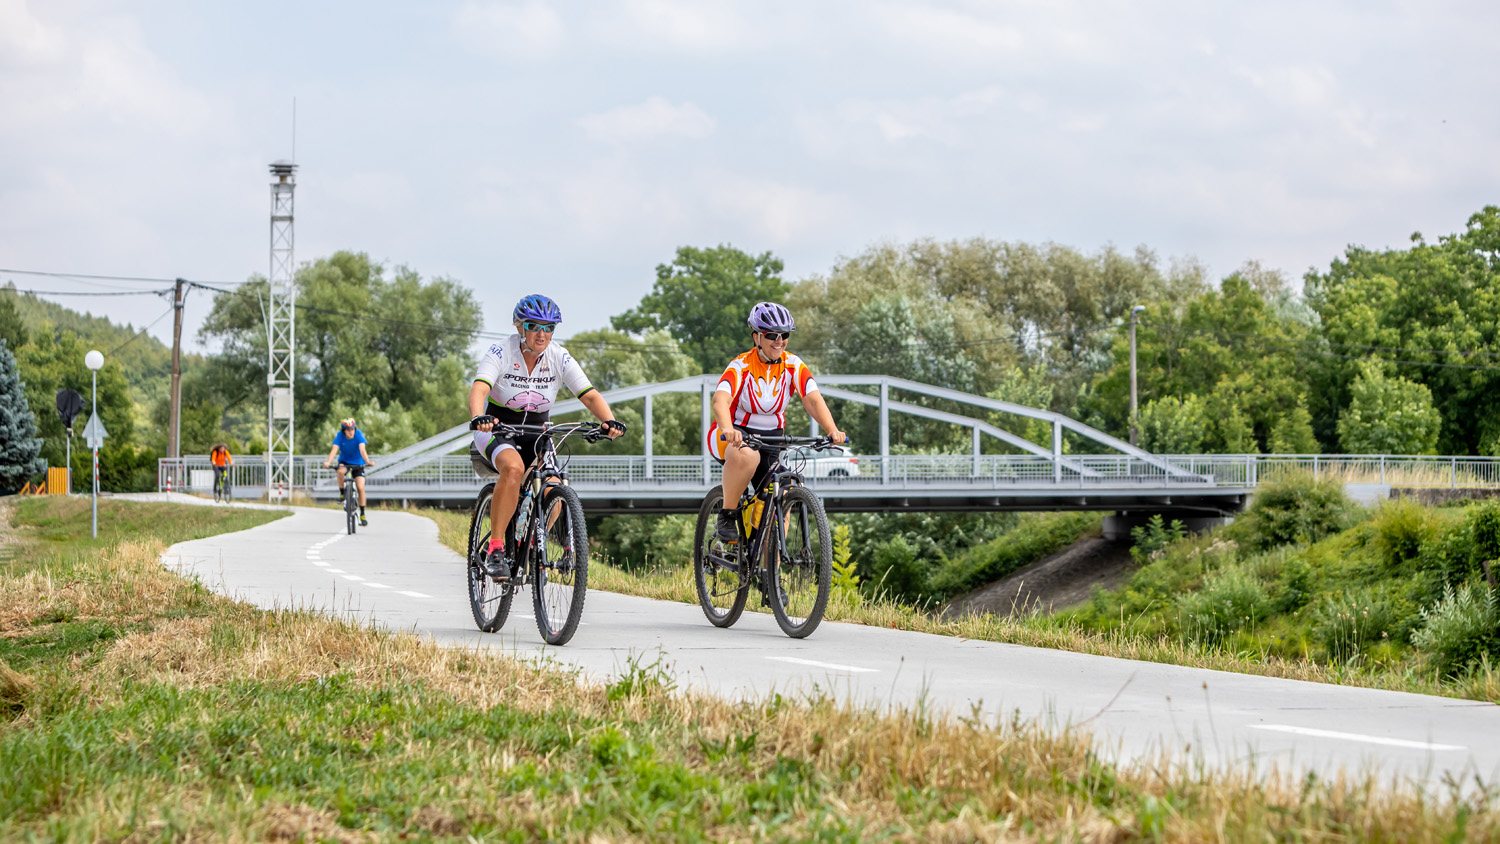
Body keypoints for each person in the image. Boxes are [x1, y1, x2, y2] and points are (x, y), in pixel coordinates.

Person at [469, 294, 626, 580]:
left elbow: (588, 395)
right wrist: (479, 417)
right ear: (520, 327)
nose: (542, 334)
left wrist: (609, 421)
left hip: (539, 432)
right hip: (497, 428)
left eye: (549, 328)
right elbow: (480, 387)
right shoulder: (501, 352)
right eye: (534, 326)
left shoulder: (558, 356)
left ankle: (528, 546)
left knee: (554, 483)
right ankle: (494, 548)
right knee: (514, 468)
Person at [708, 301, 846, 543]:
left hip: (772, 440)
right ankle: (727, 516)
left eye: (785, 335)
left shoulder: (793, 364)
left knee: (787, 488)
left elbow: (813, 399)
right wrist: (728, 428)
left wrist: (832, 430)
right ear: (756, 337)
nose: (779, 340)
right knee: (747, 456)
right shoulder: (741, 365)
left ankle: (769, 571)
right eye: (772, 335)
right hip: (733, 434)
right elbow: (720, 400)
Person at [322, 417, 374, 526]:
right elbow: (334, 449)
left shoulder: (359, 434)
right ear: (344, 431)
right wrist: (328, 462)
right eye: (348, 430)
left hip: (358, 463)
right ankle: (342, 493)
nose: (351, 432)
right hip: (344, 462)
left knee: (360, 487)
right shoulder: (340, 436)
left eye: (352, 429)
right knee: (340, 471)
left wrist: (367, 461)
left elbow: (362, 449)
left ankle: (363, 514)